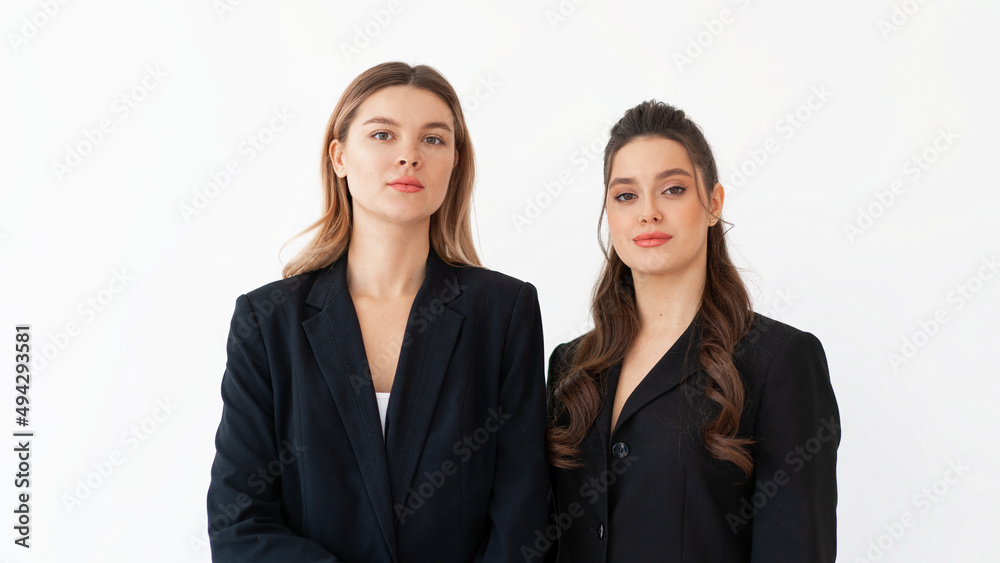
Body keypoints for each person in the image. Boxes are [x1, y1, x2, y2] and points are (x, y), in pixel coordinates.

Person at [207, 62, 548, 562]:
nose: (409, 156)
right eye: (383, 134)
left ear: (455, 162)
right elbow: (239, 523)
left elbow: (522, 520)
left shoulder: (503, 312)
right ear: (339, 155)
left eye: (433, 140)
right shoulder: (267, 321)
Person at [544, 101, 840, 562]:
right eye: (626, 196)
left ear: (713, 204)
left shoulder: (780, 361)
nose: (647, 213)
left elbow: (796, 546)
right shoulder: (570, 366)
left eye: (673, 189)